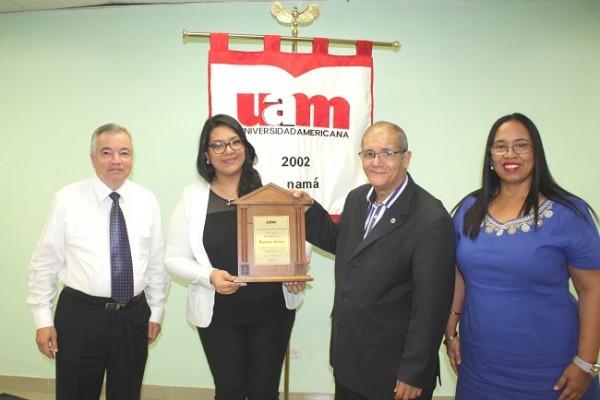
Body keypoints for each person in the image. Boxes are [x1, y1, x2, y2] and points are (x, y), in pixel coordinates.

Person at [294, 121, 455, 400]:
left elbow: (432, 305)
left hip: (394, 372)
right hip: (350, 358)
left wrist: (413, 371)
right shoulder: (358, 199)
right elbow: (342, 244)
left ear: (406, 158)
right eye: (369, 154)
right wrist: (309, 209)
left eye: (386, 153)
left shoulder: (430, 218)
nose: (376, 162)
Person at [445, 112, 600, 399]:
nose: (510, 153)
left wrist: (585, 362)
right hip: (479, 367)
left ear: (535, 152)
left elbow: (593, 289)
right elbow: (460, 272)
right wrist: (451, 329)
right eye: (500, 146)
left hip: (551, 370)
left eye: (521, 145)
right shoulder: (469, 209)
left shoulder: (569, 214)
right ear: (490, 155)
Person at [164, 114, 303, 400]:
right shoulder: (192, 197)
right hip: (219, 313)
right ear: (206, 154)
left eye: (234, 142)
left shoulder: (270, 190)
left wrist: (295, 273)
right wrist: (209, 276)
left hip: (272, 310)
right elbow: (173, 258)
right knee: (229, 391)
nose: (228, 151)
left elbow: (299, 241)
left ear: (245, 146)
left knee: (264, 391)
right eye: (217, 145)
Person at [27, 123, 170, 399]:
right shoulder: (67, 199)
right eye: (107, 152)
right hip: (81, 316)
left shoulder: (146, 200)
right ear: (93, 158)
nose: (116, 160)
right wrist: (42, 319)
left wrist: (155, 312)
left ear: (132, 158)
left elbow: (155, 263)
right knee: (76, 393)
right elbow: (44, 263)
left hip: (133, 314)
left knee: (127, 393)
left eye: (124, 153)